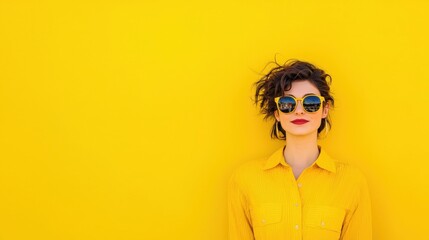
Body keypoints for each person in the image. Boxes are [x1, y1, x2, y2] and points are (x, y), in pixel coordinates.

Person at [228, 60, 372, 240]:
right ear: (277, 114)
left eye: (310, 102)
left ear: (324, 109)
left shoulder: (351, 182)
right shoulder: (245, 179)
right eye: (288, 103)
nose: (299, 111)